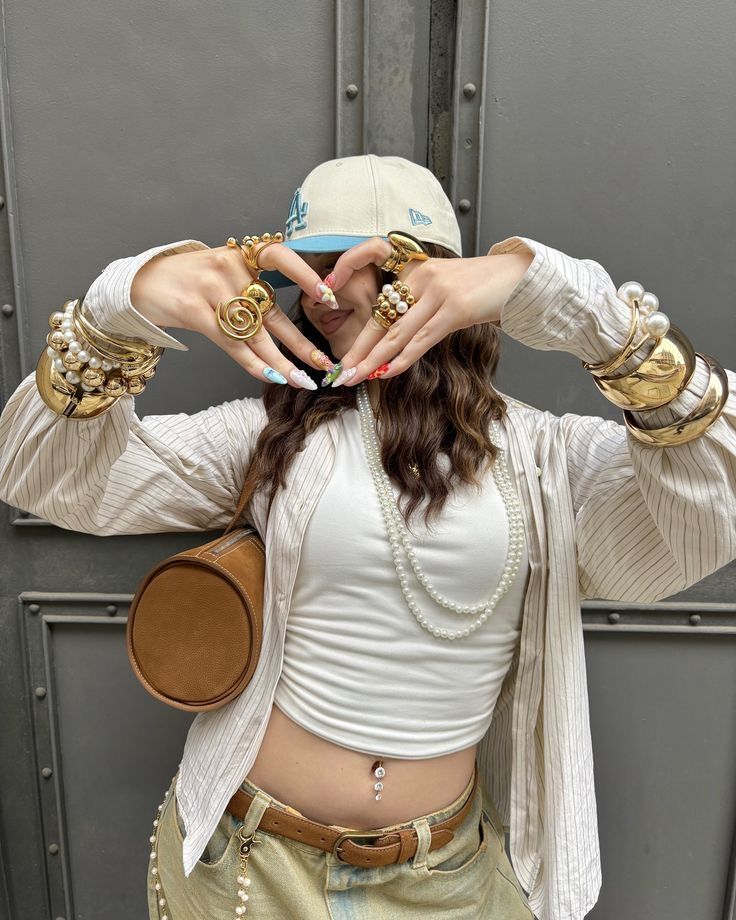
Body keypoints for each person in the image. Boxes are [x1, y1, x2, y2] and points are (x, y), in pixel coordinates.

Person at [0, 154, 734, 920]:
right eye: (309, 268)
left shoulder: (546, 457)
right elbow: (42, 474)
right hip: (247, 866)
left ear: (442, 275)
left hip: (448, 880)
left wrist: (558, 297)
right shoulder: (269, 435)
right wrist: (120, 308)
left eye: (354, 263)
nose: (322, 292)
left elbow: (715, 503)